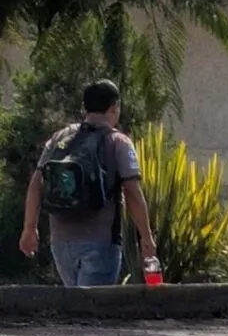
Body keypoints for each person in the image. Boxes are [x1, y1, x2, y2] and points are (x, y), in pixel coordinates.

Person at [18, 79, 157, 286]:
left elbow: (37, 182)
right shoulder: (118, 142)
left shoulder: (60, 138)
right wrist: (146, 237)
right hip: (101, 242)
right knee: (94, 305)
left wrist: (30, 227)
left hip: (61, 242)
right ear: (114, 108)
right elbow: (132, 192)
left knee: (75, 303)